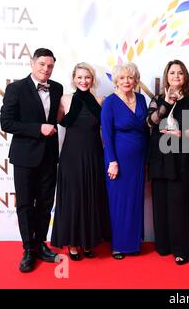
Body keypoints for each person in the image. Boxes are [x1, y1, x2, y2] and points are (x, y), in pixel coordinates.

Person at [0, 48, 62, 272]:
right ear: (32, 63)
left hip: (49, 156)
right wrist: (39, 129)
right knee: (26, 204)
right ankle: (28, 249)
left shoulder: (57, 88)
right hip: (25, 156)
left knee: (45, 204)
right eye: (42, 64)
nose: (46, 69)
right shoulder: (15, 88)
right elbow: (7, 123)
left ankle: (40, 244)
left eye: (50, 66)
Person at [147, 59, 189, 265]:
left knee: (178, 206)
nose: (176, 76)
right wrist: (166, 103)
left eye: (180, 73)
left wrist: (184, 133)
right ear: (166, 76)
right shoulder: (157, 99)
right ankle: (163, 246)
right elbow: (149, 122)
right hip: (159, 158)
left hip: (183, 159)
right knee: (161, 204)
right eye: (172, 73)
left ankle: (182, 250)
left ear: (185, 77)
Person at [51, 62, 111, 260]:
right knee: (73, 198)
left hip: (94, 154)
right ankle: (73, 243)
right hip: (72, 156)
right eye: (79, 77)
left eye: (87, 77)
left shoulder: (101, 100)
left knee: (91, 196)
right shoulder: (65, 99)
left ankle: (88, 241)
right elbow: (56, 120)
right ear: (73, 79)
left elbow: (107, 129)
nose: (83, 81)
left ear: (92, 79)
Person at [101, 62, 149, 259]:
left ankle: (133, 243)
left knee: (135, 200)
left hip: (139, 159)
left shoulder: (141, 98)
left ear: (135, 79)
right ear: (116, 81)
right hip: (118, 159)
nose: (126, 81)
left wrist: (147, 159)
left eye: (130, 77)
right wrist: (112, 161)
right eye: (122, 78)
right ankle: (119, 245)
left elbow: (146, 130)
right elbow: (107, 134)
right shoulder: (110, 102)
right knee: (119, 202)